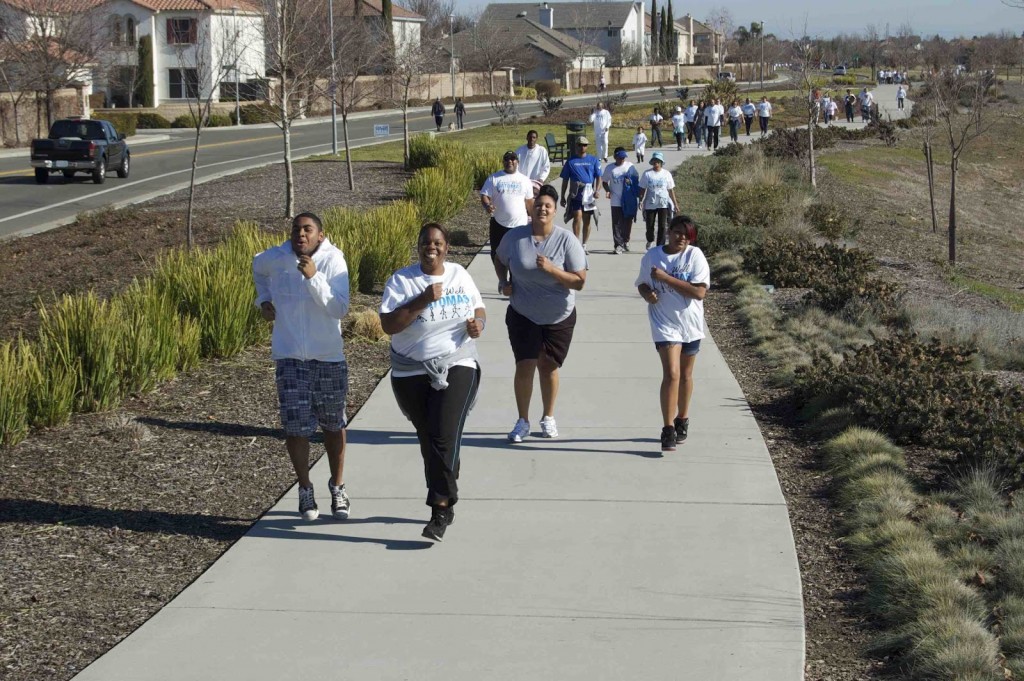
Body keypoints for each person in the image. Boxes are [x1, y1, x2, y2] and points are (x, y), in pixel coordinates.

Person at [380, 223, 485, 542]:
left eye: (438, 243)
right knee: (431, 439)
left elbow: (478, 307)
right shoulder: (401, 280)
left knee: (442, 432)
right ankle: (446, 489)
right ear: (418, 246)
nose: (432, 247)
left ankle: (440, 508)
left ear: (446, 247)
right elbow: (388, 325)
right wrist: (421, 300)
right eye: (426, 242)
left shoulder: (459, 275)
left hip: (457, 362)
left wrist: (478, 324)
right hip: (410, 371)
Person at [252, 212, 351, 521]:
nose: (301, 234)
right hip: (289, 356)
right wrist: (263, 301)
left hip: (327, 357)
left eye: (308, 230)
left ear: (320, 235)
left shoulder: (334, 261)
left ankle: (337, 485)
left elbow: (339, 308)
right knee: (296, 428)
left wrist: (313, 277)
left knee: (333, 425)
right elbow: (257, 269)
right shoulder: (276, 257)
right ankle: (305, 489)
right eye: (297, 229)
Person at [494, 185, 587, 443]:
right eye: (538, 205)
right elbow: (499, 258)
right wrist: (504, 282)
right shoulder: (514, 238)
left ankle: (548, 417)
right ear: (531, 209)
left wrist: (552, 270)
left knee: (547, 366)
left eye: (547, 206)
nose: (542, 209)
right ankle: (522, 421)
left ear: (555, 211)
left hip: (559, 316)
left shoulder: (567, 240)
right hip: (523, 313)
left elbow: (579, 282)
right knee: (525, 365)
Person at [635, 215, 709, 453]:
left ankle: (682, 419)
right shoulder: (652, 256)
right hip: (664, 322)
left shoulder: (695, 256)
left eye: (687, 235)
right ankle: (667, 428)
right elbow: (642, 283)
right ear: (669, 231)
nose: (682, 238)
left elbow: (699, 293)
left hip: (691, 323)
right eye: (678, 232)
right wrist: (647, 293)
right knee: (672, 374)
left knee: (686, 375)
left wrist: (666, 278)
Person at [480, 151, 534, 290]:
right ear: (503, 161)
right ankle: (502, 280)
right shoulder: (494, 178)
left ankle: (514, 281)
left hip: (519, 225)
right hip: (498, 224)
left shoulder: (524, 180)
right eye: (506, 159)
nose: (509, 161)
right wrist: (487, 205)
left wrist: (535, 221)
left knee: (517, 255)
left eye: (512, 159)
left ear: (517, 162)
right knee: (497, 254)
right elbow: (484, 195)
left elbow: (529, 203)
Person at [559, 136, 602, 253]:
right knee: (577, 217)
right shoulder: (570, 162)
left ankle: (584, 244)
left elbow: (599, 177)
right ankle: (576, 243)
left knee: (587, 219)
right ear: (576, 146)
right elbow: (565, 180)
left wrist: (597, 190)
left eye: (584, 145)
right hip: (576, 193)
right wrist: (562, 196)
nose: (582, 147)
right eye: (580, 145)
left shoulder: (593, 160)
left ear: (587, 146)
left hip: (588, 194)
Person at [602, 146, 640, 254]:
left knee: (628, 221)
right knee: (617, 223)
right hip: (615, 200)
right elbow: (604, 182)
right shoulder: (609, 168)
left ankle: (626, 240)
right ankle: (618, 245)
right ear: (614, 157)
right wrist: (608, 190)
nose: (621, 160)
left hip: (628, 199)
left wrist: (631, 183)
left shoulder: (630, 166)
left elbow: (636, 180)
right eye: (619, 158)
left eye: (623, 158)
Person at [638, 151, 678, 249]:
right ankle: (650, 240)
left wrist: (675, 204)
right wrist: (640, 200)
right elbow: (642, 189)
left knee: (662, 226)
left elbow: (670, 190)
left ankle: (660, 246)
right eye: (655, 161)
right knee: (650, 225)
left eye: (658, 161)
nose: (656, 163)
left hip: (663, 203)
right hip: (650, 203)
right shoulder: (647, 174)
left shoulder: (666, 174)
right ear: (652, 162)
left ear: (661, 162)